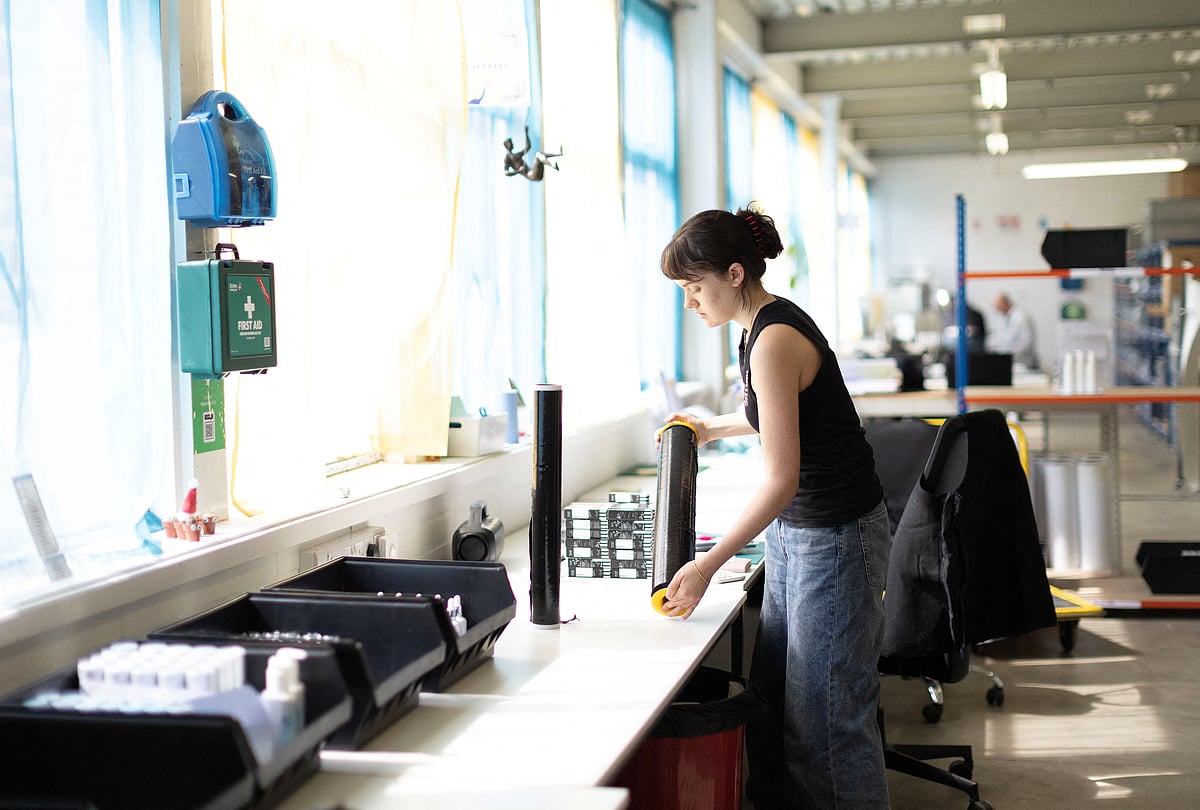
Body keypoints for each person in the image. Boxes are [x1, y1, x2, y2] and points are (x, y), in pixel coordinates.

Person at [658, 204, 891, 809]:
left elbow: (780, 480)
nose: (690, 303)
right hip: (802, 531)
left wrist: (707, 566)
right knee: (781, 702)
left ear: (734, 273)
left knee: (827, 726)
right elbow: (779, 410)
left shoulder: (774, 339)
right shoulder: (756, 327)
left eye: (694, 287)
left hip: (835, 535)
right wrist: (711, 427)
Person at [986, 291, 1038, 368]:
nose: (997, 310)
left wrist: (1009, 354)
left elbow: (1027, 343)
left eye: (998, 307)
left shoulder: (1021, 317)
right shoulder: (1001, 317)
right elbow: (997, 337)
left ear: (1004, 303)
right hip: (1005, 361)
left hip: (1023, 362)